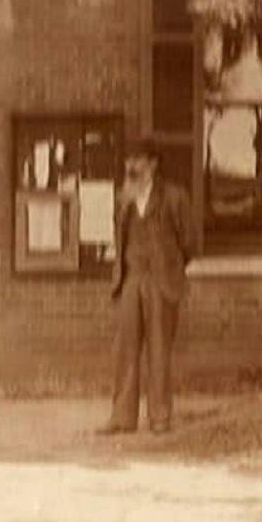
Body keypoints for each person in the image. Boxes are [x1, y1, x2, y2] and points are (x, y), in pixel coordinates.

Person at [101, 138, 193, 435]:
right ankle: (122, 418)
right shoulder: (123, 199)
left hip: (160, 282)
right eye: (129, 160)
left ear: (153, 164)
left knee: (159, 349)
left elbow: (189, 242)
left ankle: (159, 416)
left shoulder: (174, 197)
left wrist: (168, 267)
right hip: (130, 279)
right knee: (125, 350)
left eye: (138, 160)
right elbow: (119, 238)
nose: (131, 166)